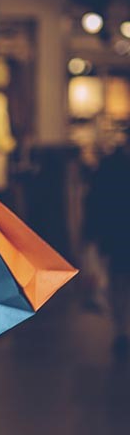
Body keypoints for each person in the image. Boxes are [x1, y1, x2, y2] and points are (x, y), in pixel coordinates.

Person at [84, 128, 130, 359]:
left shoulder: (111, 165)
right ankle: (122, 329)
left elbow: (95, 200)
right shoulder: (112, 166)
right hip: (119, 233)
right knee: (119, 280)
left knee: (119, 281)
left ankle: (123, 329)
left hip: (117, 233)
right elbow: (97, 201)